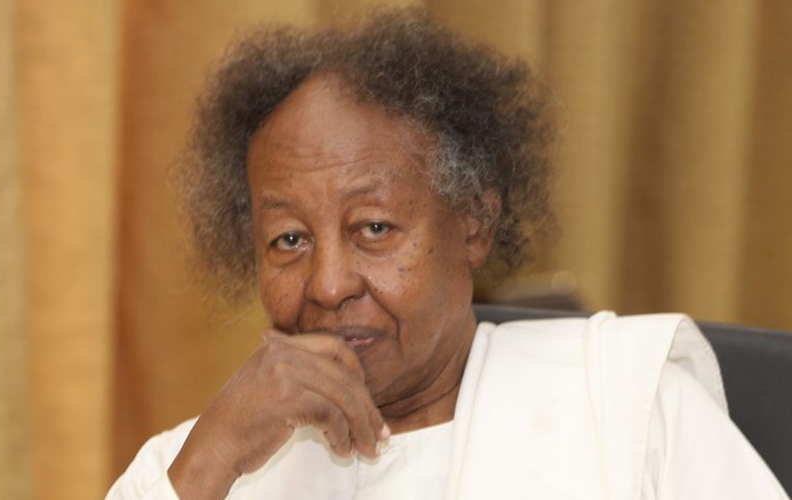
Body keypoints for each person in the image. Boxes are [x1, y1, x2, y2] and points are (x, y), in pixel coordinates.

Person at [107, 8, 789, 500]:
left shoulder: (625, 405)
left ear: (474, 224)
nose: (329, 285)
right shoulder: (194, 466)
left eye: (374, 228)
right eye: (290, 240)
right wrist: (208, 465)